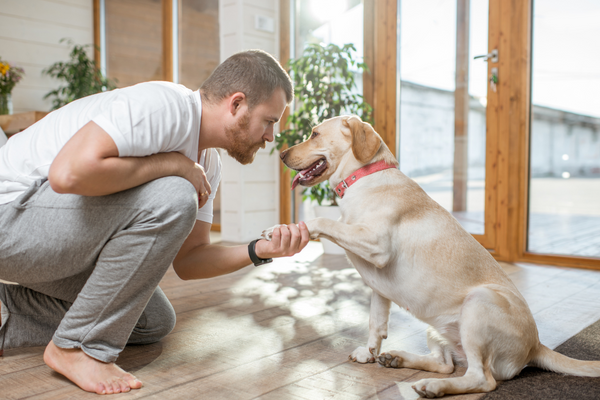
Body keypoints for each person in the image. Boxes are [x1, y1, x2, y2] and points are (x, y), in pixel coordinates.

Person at [0, 50, 309, 395]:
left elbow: (190, 260)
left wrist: (258, 250)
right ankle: (77, 349)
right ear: (236, 104)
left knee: (152, 321)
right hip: (10, 217)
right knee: (176, 193)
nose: (270, 136)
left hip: (46, 239)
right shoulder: (166, 107)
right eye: (269, 121)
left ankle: (5, 312)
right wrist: (174, 166)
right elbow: (67, 173)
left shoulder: (208, 160)